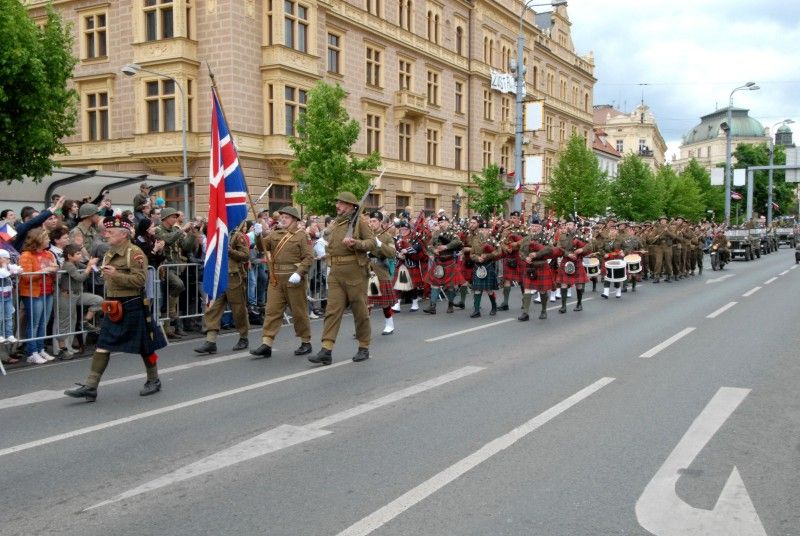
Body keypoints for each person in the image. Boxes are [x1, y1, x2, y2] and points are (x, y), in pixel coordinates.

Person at [65, 216, 167, 402]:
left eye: (110, 232)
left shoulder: (134, 253)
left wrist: (116, 275)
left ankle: (154, 379)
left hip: (133, 304)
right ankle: (91, 386)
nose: (106, 235)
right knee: (103, 344)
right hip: (113, 306)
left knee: (146, 347)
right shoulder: (110, 252)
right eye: (106, 231)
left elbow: (140, 281)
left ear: (124, 234)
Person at [310, 192, 375, 365]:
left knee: (360, 311)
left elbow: (372, 243)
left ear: (351, 206)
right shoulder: (336, 223)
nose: (337, 205)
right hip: (336, 272)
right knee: (332, 311)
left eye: (341, 203)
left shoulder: (359, 222)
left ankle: (363, 346)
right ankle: (326, 349)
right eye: (337, 202)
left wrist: (356, 244)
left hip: (355, 271)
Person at [251, 206, 314, 358]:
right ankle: (267, 343)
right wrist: (258, 234)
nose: (282, 220)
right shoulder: (275, 234)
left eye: (286, 217)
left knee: (299, 312)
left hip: (294, 279)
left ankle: (306, 342)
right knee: (272, 311)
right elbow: (262, 247)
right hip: (276, 278)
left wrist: (299, 273)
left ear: (295, 220)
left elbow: (308, 258)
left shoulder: (301, 236)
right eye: (281, 217)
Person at [195, 226, 251, 355]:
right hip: (217, 277)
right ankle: (210, 341)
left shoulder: (237, 236)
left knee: (238, 310)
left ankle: (243, 337)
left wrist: (230, 251)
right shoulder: (216, 236)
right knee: (212, 309)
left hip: (233, 277)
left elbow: (245, 255)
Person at [18, 228, 59, 364]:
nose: (48, 239)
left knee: (43, 323)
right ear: (38, 239)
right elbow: (26, 278)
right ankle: (32, 352)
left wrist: (55, 269)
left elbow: (53, 271)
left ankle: (40, 349)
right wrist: (45, 270)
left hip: (48, 291)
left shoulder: (48, 254)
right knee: (34, 324)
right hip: (33, 293)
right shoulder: (26, 255)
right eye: (46, 237)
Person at [55, 244, 102, 360]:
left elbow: (90, 268)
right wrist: (88, 267)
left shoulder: (76, 263)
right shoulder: (68, 265)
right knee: (64, 323)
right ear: (69, 256)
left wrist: (95, 266)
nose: (80, 255)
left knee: (99, 300)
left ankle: (85, 321)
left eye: (80, 253)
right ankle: (62, 349)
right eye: (77, 254)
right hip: (66, 296)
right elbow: (80, 277)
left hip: (77, 294)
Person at [422, 215, 465, 314]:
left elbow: (458, 242)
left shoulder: (452, 232)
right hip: (438, 262)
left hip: (449, 261)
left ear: (447, 223)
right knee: (434, 284)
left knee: (450, 286)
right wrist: (434, 250)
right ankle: (432, 307)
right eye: (440, 222)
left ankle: (450, 305)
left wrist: (446, 246)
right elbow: (429, 245)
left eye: (443, 222)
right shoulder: (436, 233)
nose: (441, 224)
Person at [367, 211, 398, 334]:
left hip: (380, 270)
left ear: (380, 222)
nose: (371, 223)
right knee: (366, 302)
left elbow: (392, 253)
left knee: (385, 303)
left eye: (374, 221)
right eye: (370, 221)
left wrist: (380, 244)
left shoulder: (386, 237)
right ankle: (364, 328)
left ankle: (389, 325)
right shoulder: (367, 235)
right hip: (367, 271)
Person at [466, 217, 501, 318]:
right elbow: (472, 254)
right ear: (479, 229)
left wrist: (487, 256)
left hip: (488, 265)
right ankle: (477, 311)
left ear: (489, 230)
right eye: (481, 229)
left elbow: (499, 252)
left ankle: (494, 307)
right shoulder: (475, 239)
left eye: (486, 229)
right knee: (477, 289)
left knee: (489, 290)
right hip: (478, 265)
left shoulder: (493, 240)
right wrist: (477, 258)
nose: (484, 231)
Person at [0, 250, 22, 353]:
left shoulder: (7, 267)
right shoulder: (3, 269)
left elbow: (18, 269)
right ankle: (0, 334)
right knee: (0, 317)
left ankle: (9, 334)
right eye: (6, 258)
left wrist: (13, 269)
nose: (9, 260)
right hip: (0, 298)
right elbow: (4, 274)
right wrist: (5, 266)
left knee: (9, 316)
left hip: (8, 296)